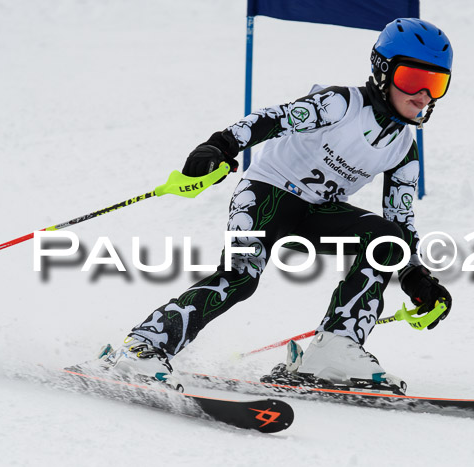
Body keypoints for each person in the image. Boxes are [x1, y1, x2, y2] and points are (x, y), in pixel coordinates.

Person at [90, 18, 454, 394]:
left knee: (386, 238)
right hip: (266, 195)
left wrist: (415, 275)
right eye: (413, 79)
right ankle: (145, 346)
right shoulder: (341, 104)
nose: (424, 95)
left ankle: (335, 348)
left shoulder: (404, 148)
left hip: (316, 214)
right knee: (241, 276)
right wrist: (221, 145)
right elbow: (274, 119)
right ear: (382, 70)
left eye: (437, 84)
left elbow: (401, 218)